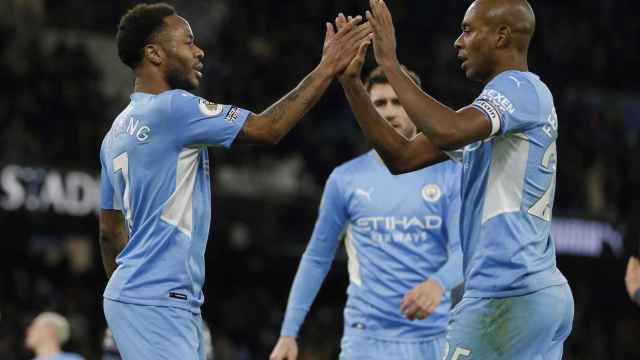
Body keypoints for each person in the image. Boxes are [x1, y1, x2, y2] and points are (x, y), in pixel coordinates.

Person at [98, 3, 372, 359]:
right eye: (188, 42)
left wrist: (128, 296)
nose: (200, 51)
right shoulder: (174, 107)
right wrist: (327, 68)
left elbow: (109, 231)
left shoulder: (115, 131)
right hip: (158, 297)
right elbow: (267, 128)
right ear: (154, 53)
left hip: (143, 296)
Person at [337, 0, 574, 358]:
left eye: (467, 30)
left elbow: (448, 130)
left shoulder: (519, 88)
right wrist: (352, 84)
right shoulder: (491, 117)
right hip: (535, 295)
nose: (457, 43)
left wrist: (388, 62)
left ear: (501, 36)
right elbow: (402, 157)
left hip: (506, 295)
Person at [269, 61, 463, 360]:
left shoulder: (450, 174)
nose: (388, 111)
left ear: (415, 106)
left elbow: (467, 251)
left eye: (398, 101)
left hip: (434, 338)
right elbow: (317, 258)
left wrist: (440, 283)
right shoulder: (346, 179)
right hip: (366, 340)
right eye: (379, 104)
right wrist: (288, 332)